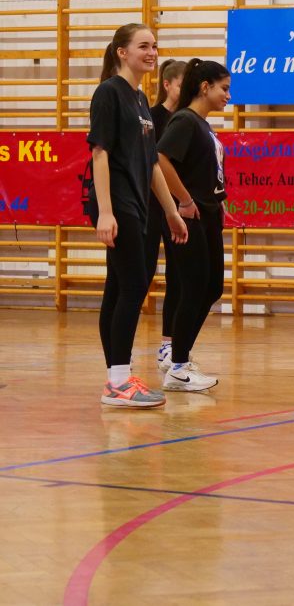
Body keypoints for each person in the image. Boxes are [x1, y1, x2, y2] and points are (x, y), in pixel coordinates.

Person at [88, 23, 189, 408]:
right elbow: (100, 153)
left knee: (119, 288)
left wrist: (172, 210)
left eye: (154, 46)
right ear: (122, 52)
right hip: (117, 203)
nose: (152, 52)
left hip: (138, 203)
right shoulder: (109, 92)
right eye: (143, 46)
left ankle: (117, 377)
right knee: (133, 286)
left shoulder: (140, 99)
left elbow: (152, 165)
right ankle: (117, 382)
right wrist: (106, 212)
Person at [155, 59, 230, 392]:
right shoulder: (185, 120)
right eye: (223, 88)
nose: (228, 95)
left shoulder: (203, 125)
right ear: (205, 87)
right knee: (193, 288)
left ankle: (180, 358)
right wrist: (184, 201)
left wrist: (219, 200)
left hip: (209, 215)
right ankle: (178, 365)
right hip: (190, 218)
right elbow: (161, 159)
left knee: (212, 288)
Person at [147, 59, 186, 372]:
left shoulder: (188, 120)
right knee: (141, 274)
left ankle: (169, 343)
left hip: (178, 209)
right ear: (168, 84)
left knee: (179, 274)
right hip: (150, 206)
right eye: (182, 85)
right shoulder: (151, 117)